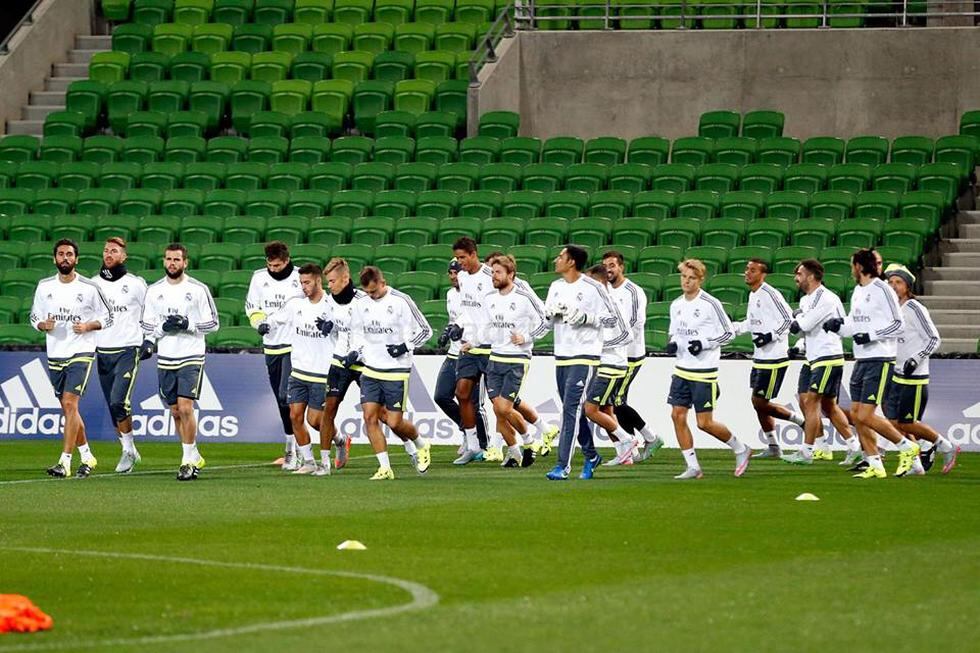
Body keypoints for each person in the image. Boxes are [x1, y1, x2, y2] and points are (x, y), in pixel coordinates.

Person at [823, 249, 919, 479]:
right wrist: (838, 325)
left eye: (852, 265)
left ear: (859, 266)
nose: (851, 269)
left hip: (880, 358)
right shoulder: (858, 291)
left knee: (866, 415)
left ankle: (906, 446)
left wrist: (871, 336)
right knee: (856, 415)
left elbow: (898, 325)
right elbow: (855, 326)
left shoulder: (882, 289)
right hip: (861, 358)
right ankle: (875, 464)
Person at [543, 245, 628, 481]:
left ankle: (563, 466)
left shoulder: (592, 287)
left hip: (585, 357)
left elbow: (614, 320)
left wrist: (587, 318)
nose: (556, 260)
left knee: (571, 409)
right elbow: (546, 324)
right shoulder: (556, 287)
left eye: (560, 257)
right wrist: (549, 316)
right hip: (561, 355)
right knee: (575, 411)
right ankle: (591, 455)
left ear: (571, 262)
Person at [31, 239, 112, 478]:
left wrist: (89, 325)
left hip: (82, 351)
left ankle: (64, 462)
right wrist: (40, 324)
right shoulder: (44, 286)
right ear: (54, 259)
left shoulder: (89, 287)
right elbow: (34, 315)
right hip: (55, 352)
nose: (65, 258)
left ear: (76, 259)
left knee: (69, 404)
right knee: (68, 410)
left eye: (69, 254)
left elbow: (108, 317)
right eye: (61, 254)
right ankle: (87, 456)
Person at [139, 243, 219, 481]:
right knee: (174, 411)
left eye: (176, 259)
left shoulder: (197, 289)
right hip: (166, 357)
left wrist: (188, 325)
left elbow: (214, 323)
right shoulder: (154, 290)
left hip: (191, 354)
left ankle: (186, 461)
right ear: (164, 261)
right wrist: (159, 331)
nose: (172, 263)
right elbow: (145, 324)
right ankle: (193, 454)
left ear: (186, 263)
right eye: (168, 259)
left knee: (186, 407)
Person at [665, 259, 750, 480]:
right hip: (682, 369)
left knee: (704, 423)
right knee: (677, 415)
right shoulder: (676, 304)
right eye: (683, 277)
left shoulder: (710, 304)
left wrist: (704, 343)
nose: (686, 281)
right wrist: (673, 342)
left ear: (700, 279)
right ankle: (693, 466)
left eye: (691, 278)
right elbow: (674, 331)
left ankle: (740, 448)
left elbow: (729, 333)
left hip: (704, 371)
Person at [346, 266, 433, 480]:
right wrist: (355, 352)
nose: (371, 295)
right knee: (369, 417)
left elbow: (425, 330)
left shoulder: (401, 301)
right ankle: (385, 467)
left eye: (374, 291)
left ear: (383, 283)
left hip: (397, 370)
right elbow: (356, 333)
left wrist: (405, 346)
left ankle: (421, 444)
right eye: (367, 292)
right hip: (371, 368)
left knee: (394, 422)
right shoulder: (360, 304)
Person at [883, 264, 958, 474]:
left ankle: (944, 445)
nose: (894, 286)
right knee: (893, 422)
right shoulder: (891, 310)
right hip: (896, 373)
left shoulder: (915, 308)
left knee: (907, 423)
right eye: (890, 283)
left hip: (914, 376)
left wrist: (916, 359)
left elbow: (934, 338)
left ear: (907, 286)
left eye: (898, 282)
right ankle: (916, 461)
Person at [484, 251, 559, 456]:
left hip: (516, 359)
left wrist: (526, 337)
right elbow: (485, 326)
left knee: (506, 408)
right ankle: (516, 448)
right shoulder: (489, 298)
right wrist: (472, 340)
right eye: (492, 272)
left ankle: (528, 440)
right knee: (498, 408)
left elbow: (547, 322)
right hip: (494, 358)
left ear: (511, 274)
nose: (494, 276)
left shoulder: (524, 297)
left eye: (498, 272)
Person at [262, 264, 334, 476]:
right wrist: (266, 325)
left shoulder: (330, 305)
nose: (303, 287)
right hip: (299, 370)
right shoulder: (295, 305)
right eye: (301, 282)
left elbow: (343, 328)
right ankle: (310, 461)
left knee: (314, 420)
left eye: (307, 282)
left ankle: (337, 441)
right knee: (295, 415)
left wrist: (332, 327)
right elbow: (276, 319)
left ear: (318, 281)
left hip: (321, 372)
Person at [782, 259, 855, 467]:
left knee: (813, 402)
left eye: (799, 274)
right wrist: (800, 345)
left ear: (811, 276)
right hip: (813, 357)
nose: (796, 278)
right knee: (815, 402)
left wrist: (796, 320)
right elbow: (805, 330)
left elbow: (803, 324)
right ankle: (850, 446)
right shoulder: (806, 300)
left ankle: (807, 451)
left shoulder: (826, 299)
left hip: (828, 357)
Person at [731, 258, 806, 458]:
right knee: (758, 403)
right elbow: (752, 321)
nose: (747, 273)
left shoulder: (770, 294)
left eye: (752, 270)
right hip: (759, 357)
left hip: (775, 357)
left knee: (760, 401)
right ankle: (773, 446)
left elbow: (788, 320)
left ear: (763, 274)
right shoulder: (753, 294)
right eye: (746, 269)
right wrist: (735, 328)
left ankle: (802, 422)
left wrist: (770, 336)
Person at [245, 241, 304, 471]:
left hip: (295, 344)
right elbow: (252, 306)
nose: (273, 268)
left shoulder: (300, 277)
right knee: (280, 400)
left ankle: (297, 449)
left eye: (278, 265)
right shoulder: (259, 278)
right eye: (270, 264)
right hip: (271, 345)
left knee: (286, 395)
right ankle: (291, 445)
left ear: (287, 261)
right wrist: (259, 323)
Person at [91, 237, 148, 474]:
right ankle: (129, 449)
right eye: (106, 251)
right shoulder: (92, 284)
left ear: (124, 256)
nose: (109, 254)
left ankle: (127, 451)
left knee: (118, 401)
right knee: (113, 406)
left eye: (114, 251)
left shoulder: (136, 284)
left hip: (128, 348)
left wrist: (148, 340)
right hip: (102, 350)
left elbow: (150, 313)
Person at [601, 250, 664, 461]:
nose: (608, 269)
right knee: (616, 401)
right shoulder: (605, 290)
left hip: (631, 354)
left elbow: (637, 324)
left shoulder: (633, 292)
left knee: (616, 400)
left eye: (612, 265)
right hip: (612, 355)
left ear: (621, 267)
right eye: (605, 266)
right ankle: (632, 448)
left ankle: (650, 436)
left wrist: (616, 341)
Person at [578, 265, 641, 470]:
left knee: (590, 409)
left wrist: (600, 345)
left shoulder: (611, 304)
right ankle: (624, 453)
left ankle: (627, 440)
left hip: (611, 364)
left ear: (599, 283)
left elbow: (627, 335)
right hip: (605, 364)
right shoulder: (599, 304)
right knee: (606, 409)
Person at [434, 259, 489, 457]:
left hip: (472, 350)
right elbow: (453, 319)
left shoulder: (475, 290)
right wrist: (446, 333)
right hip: (453, 351)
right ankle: (467, 430)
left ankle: (483, 444)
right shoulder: (450, 294)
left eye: (456, 272)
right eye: (450, 273)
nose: (453, 277)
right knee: (441, 395)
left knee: (473, 401)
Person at [451, 237, 495, 464]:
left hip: (490, 345)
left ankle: (516, 443)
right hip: (469, 346)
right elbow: (467, 310)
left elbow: (494, 313)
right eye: (457, 258)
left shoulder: (490, 276)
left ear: (474, 254)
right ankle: (473, 445)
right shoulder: (461, 277)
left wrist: (479, 339)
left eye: (462, 257)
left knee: (500, 401)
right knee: (462, 393)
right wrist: (457, 326)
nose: (460, 262)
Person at [322, 258, 366, 471]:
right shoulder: (329, 301)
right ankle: (332, 453)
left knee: (381, 414)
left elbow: (373, 333)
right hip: (339, 360)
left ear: (345, 278)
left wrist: (357, 352)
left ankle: (414, 445)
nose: (328, 286)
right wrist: (326, 326)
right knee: (328, 408)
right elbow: (334, 329)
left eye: (331, 281)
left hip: (362, 363)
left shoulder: (363, 300)